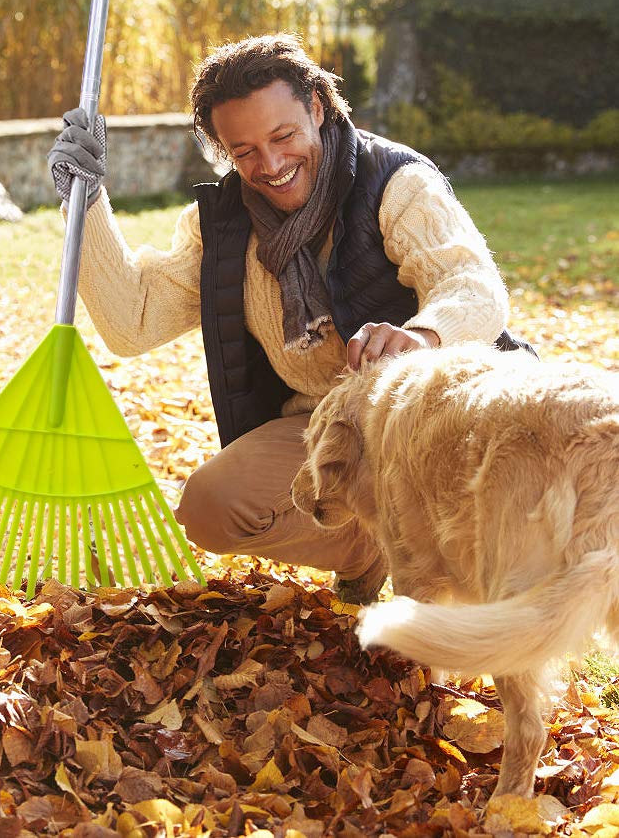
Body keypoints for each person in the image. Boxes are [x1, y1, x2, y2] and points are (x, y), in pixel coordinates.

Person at [47, 33, 528, 604]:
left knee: (458, 583)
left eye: (283, 136)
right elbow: (134, 323)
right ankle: (365, 548)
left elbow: (472, 285)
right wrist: (88, 199)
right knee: (209, 508)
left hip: (439, 418)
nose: (270, 165)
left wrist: (420, 336)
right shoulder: (222, 227)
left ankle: (444, 554)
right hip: (326, 426)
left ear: (317, 109)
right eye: (244, 150)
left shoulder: (394, 182)